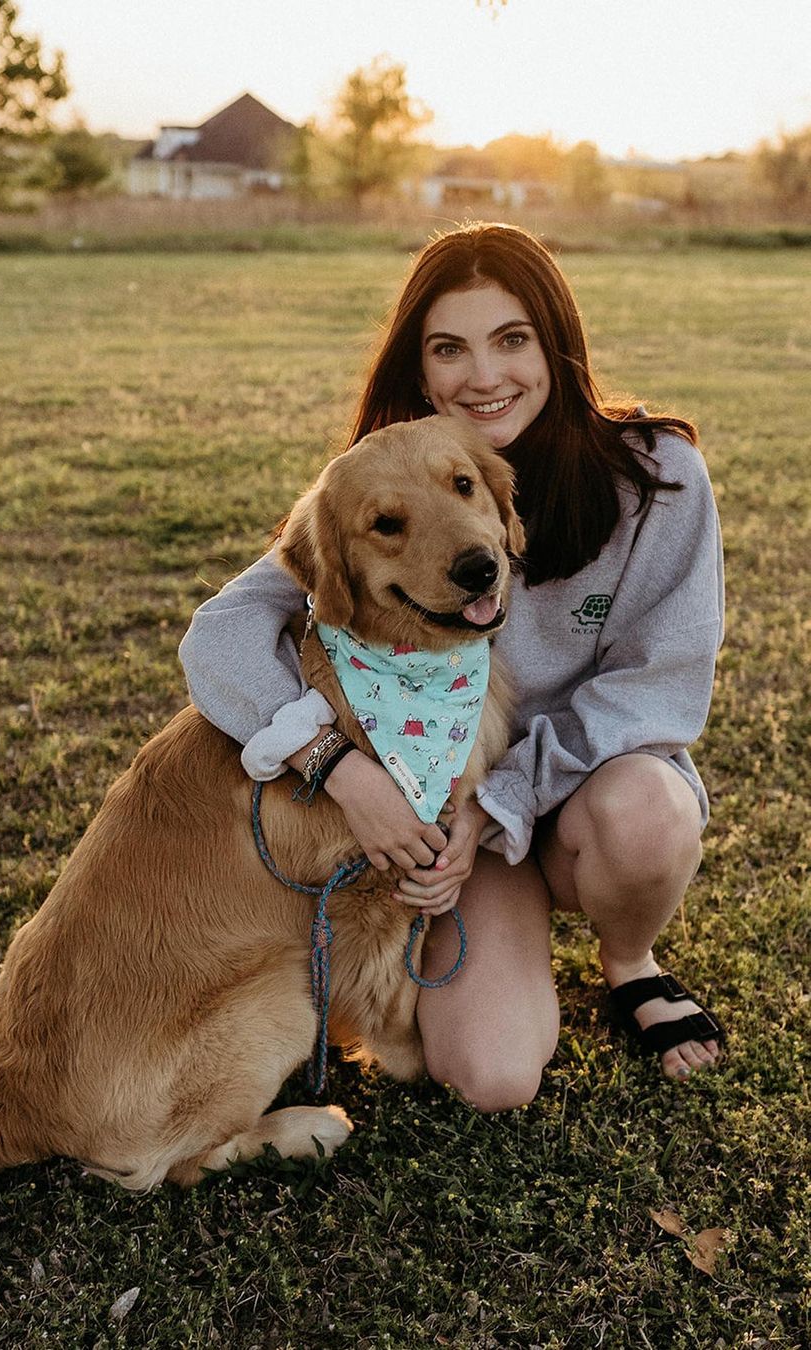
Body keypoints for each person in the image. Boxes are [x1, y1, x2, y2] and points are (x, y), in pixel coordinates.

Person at [178, 222, 725, 1111]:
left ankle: (629, 962)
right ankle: (494, 952)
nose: (484, 375)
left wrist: (498, 802)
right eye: (450, 349)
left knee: (650, 812)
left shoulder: (657, 475)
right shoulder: (386, 478)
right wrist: (340, 770)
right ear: (419, 368)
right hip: (454, 832)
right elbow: (220, 637)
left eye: (512, 340)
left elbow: (657, 687)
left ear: (556, 345)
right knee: (492, 1077)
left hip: (580, 796)